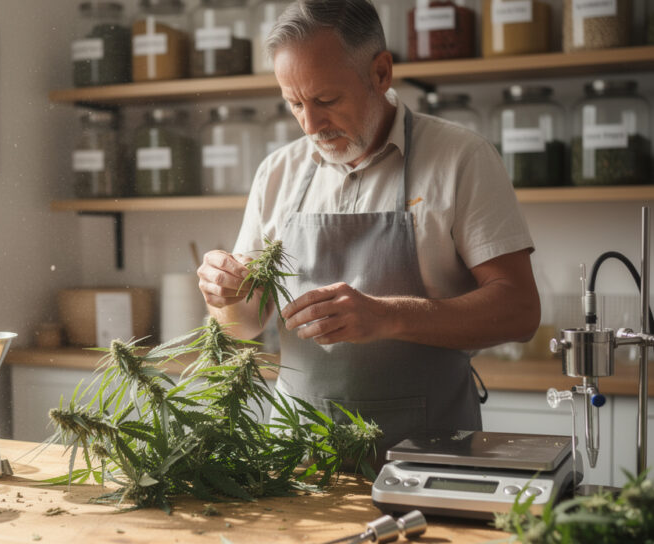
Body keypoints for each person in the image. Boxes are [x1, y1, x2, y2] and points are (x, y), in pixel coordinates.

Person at [196, 0, 540, 459]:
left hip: (427, 457)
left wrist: (389, 315)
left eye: (326, 100)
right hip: (297, 460)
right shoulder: (276, 173)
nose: (310, 124)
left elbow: (520, 310)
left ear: (380, 73)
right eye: (294, 104)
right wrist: (225, 295)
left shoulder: (461, 159)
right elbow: (244, 327)